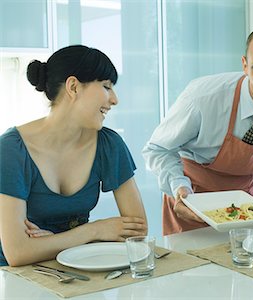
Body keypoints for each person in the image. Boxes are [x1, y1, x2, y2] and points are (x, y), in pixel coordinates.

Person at [142, 24, 253, 235]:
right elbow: (158, 148)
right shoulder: (202, 98)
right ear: (245, 65)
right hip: (193, 202)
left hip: (250, 207)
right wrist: (179, 187)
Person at [0, 45, 148, 267]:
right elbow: (18, 253)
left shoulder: (109, 144)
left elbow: (137, 232)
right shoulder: (12, 150)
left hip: (82, 268)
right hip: (18, 279)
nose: (115, 99)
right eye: (106, 87)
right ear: (73, 87)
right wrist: (94, 230)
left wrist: (54, 242)